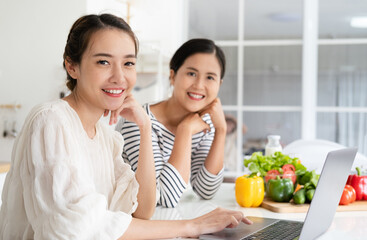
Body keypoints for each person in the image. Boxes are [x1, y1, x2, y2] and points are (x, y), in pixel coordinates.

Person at [0, 13, 252, 239]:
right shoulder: (51, 120)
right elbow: (79, 227)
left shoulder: (105, 136)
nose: (119, 77)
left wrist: (144, 126)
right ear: (72, 66)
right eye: (103, 62)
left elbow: (143, 210)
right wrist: (191, 226)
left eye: (128, 63)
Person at [116, 38, 227, 207]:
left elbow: (206, 190)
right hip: (126, 222)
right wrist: (184, 131)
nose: (199, 85)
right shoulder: (138, 121)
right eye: (191, 73)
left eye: (210, 77)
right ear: (173, 76)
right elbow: (163, 197)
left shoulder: (203, 124)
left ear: (219, 84)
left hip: (164, 222)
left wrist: (221, 130)